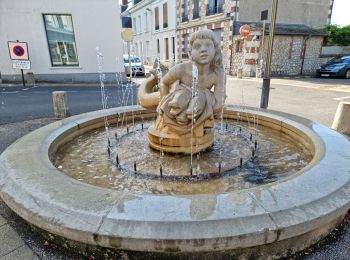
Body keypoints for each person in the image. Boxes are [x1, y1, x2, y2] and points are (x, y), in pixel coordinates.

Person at [157, 29, 226, 135]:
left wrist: (203, 101)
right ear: (191, 53)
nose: (203, 50)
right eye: (197, 46)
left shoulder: (218, 73)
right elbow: (163, 83)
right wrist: (164, 103)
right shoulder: (181, 69)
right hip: (178, 103)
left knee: (201, 97)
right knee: (181, 96)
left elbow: (218, 104)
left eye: (208, 45)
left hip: (197, 108)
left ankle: (192, 110)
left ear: (215, 50)